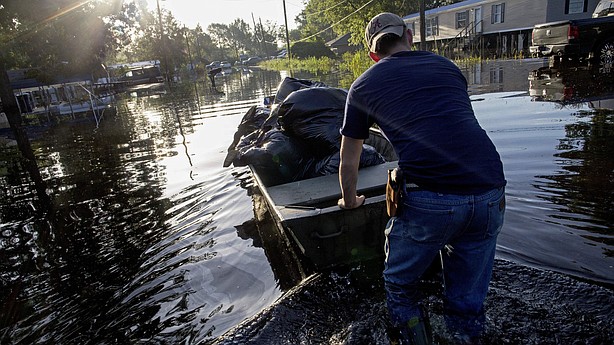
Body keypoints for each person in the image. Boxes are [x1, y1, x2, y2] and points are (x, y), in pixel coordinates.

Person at [337, 12, 506, 345]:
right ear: (410, 36)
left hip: (431, 199)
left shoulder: (363, 85)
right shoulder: (448, 68)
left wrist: (350, 198)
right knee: (466, 301)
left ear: (373, 54)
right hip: (491, 190)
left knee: (400, 285)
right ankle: (466, 337)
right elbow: (449, 122)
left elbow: (348, 157)